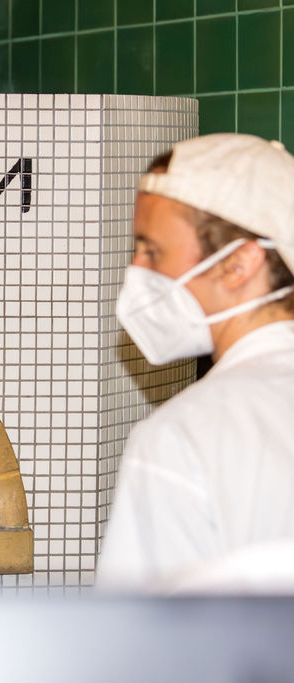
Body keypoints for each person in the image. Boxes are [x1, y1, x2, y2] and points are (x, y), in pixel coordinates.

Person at [97, 133, 294, 592]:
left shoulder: (183, 437)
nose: (136, 272)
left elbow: (142, 645)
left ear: (237, 265)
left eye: (151, 251)